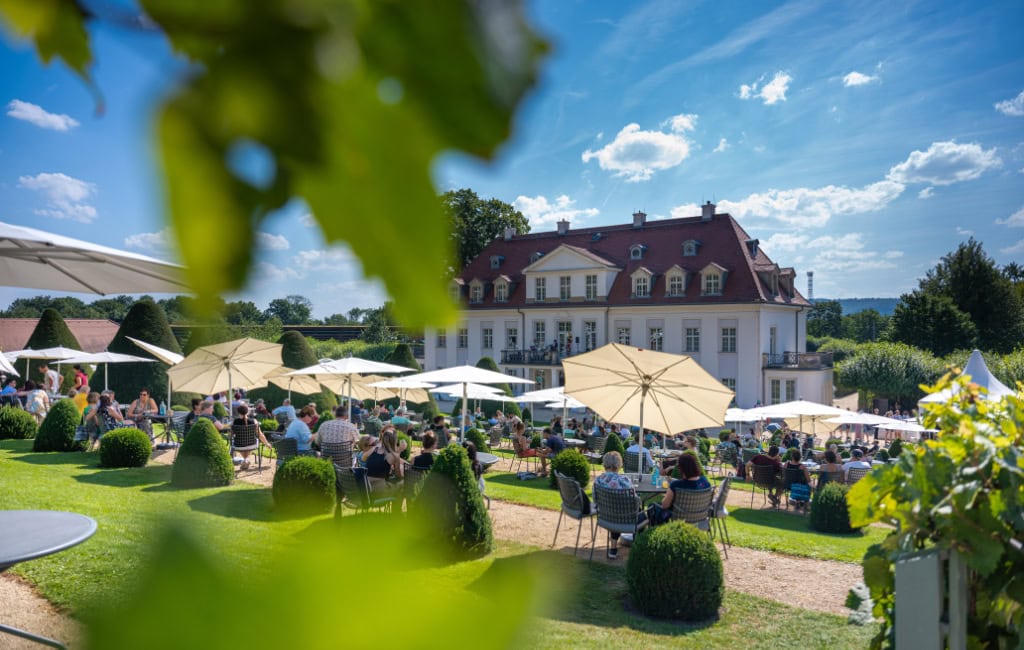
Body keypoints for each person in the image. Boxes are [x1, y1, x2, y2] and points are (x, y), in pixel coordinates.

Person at [593, 451, 646, 560]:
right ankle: (636, 549)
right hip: (627, 519)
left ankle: (613, 549)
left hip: (607, 516)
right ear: (619, 464)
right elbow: (635, 500)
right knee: (643, 515)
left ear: (604, 463)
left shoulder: (598, 480)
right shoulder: (624, 480)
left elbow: (595, 499)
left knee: (616, 510)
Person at [652, 453, 711, 524]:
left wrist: (670, 489)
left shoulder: (677, 485)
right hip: (699, 520)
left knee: (652, 507)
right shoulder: (705, 482)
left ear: (681, 468)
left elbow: (664, 505)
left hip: (678, 521)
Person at [231, 403, 274, 470]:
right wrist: (266, 443)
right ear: (247, 411)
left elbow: (230, 434)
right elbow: (260, 435)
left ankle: (245, 460)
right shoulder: (254, 421)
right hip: (251, 444)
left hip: (238, 445)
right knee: (252, 441)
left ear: (238, 412)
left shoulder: (234, 422)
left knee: (239, 442)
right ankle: (246, 459)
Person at [363, 427, 404, 496]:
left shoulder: (374, 449)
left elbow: (363, 458)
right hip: (379, 491)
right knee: (402, 483)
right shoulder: (394, 456)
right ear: (394, 441)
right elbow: (398, 475)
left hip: (366, 489)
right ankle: (397, 507)